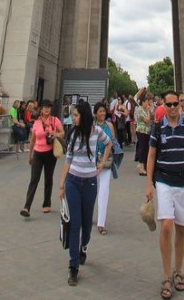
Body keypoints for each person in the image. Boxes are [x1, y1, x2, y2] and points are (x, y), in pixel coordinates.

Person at [146, 90, 184, 298]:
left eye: (175, 104)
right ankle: (166, 275)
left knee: (182, 228)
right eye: (169, 104)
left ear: (180, 105)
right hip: (163, 179)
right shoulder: (157, 127)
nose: (172, 108)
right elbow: (151, 155)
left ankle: (178, 271)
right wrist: (148, 184)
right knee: (167, 224)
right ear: (164, 105)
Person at [58, 101, 112, 286]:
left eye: (75, 115)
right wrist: (61, 185)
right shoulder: (73, 134)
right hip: (73, 180)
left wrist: (102, 163)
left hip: (89, 182)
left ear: (84, 116)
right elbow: (68, 159)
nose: (72, 118)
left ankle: (83, 246)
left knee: (87, 225)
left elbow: (109, 144)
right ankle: (73, 266)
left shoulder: (96, 131)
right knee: (75, 223)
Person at [20, 99, 65, 217]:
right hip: (38, 153)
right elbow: (33, 139)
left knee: (48, 179)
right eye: (45, 107)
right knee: (34, 179)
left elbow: (62, 132)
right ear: (41, 109)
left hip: (50, 153)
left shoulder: (55, 120)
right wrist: (30, 155)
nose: (47, 109)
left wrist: (56, 134)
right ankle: (26, 206)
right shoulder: (37, 122)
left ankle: (46, 203)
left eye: (49, 107)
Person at [93, 101, 116, 234]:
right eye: (100, 111)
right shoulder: (92, 126)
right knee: (92, 190)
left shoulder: (109, 125)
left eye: (103, 111)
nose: (102, 113)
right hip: (93, 161)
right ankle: (89, 216)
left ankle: (101, 222)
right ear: (95, 113)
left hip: (106, 161)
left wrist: (104, 160)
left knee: (104, 191)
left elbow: (112, 142)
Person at [135, 90, 154, 175]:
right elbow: (147, 119)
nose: (147, 103)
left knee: (146, 148)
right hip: (141, 131)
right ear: (142, 102)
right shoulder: (140, 110)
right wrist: (148, 111)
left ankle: (145, 166)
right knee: (142, 148)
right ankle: (141, 166)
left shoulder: (144, 109)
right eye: (146, 102)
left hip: (146, 131)